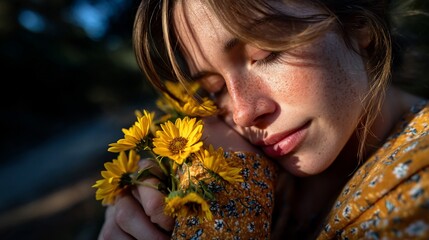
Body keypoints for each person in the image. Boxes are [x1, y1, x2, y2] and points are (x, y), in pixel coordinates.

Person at [97, 0, 429, 239]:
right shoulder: (268, 177)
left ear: (359, 23)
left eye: (266, 53)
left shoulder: (418, 190)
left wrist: (226, 205)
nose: (241, 113)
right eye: (214, 90)